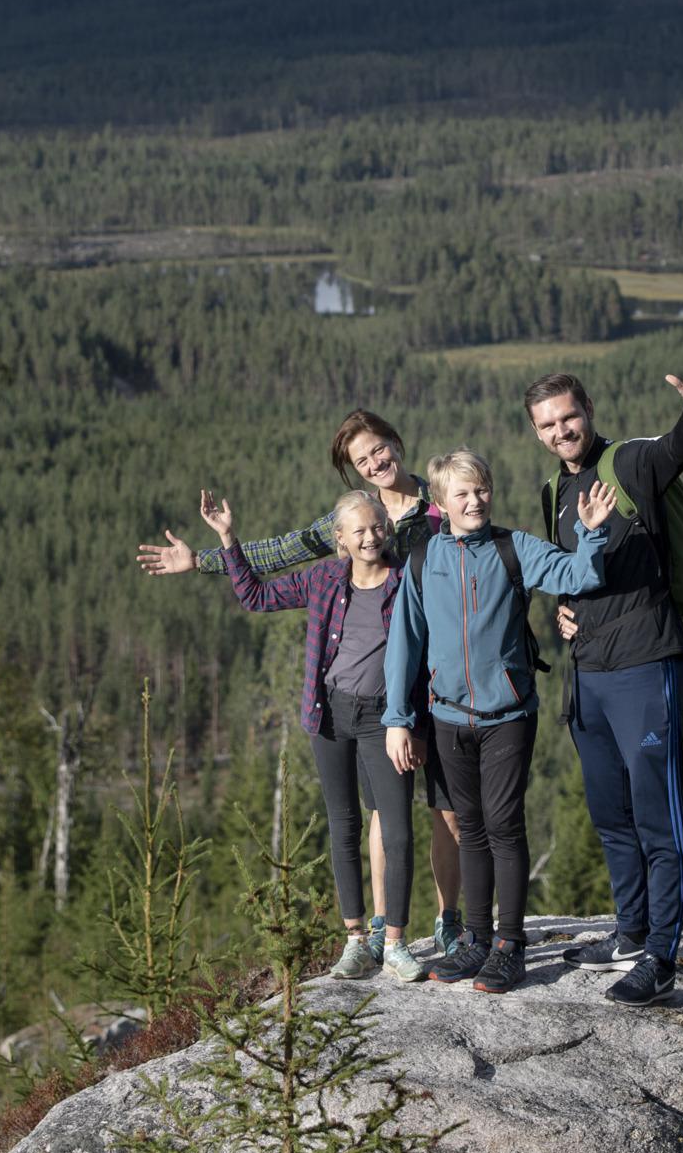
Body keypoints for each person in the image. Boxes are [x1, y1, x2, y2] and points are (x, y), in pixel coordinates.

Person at [137, 410, 467, 960]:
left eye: (379, 450)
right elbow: (278, 555)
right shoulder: (352, 521)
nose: (375, 463)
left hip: (438, 681)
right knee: (385, 811)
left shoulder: (439, 507)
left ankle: (450, 919)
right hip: (379, 698)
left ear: (396, 443)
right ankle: (384, 929)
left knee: (447, 808)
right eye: (362, 460)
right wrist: (204, 561)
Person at [526, 352, 683, 1007]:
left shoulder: (632, 462)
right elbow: (570, 566)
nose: (562, 431)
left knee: (657, 817)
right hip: (587, 675)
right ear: (537, 432)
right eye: (548, 424)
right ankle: (629, 930)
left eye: (569, 417)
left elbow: (678, 448)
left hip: (646, 663)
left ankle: (662, 956)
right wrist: (562, 607)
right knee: (611, 813)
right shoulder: (554, 491)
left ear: (588, 412)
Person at [383, 450, 614, 995]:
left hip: (508, 713)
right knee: (472, 828)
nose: (475, 500)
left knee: (505, 826)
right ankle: (477, 941)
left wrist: (593, 535)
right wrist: (398, 717)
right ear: (440, 502)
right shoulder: (421, 559)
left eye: (481, 489)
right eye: (462, 493)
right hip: (446, 716)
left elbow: (579, 574)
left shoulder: (515, 548)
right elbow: (404, 644)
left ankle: (510, 946)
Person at [203, 487, 428, 982]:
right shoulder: (325, 577)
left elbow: (429, 651)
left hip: (385, 720)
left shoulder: (407, 579)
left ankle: (393, 941)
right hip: (329, 715)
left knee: (396, 828)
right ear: (340, 539)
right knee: (343, 822)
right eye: (358, 531)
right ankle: (354, 940)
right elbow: (255, 596)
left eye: (376, 527)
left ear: (386, 530)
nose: (369, 537)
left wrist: (410, 721)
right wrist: (228, 539)